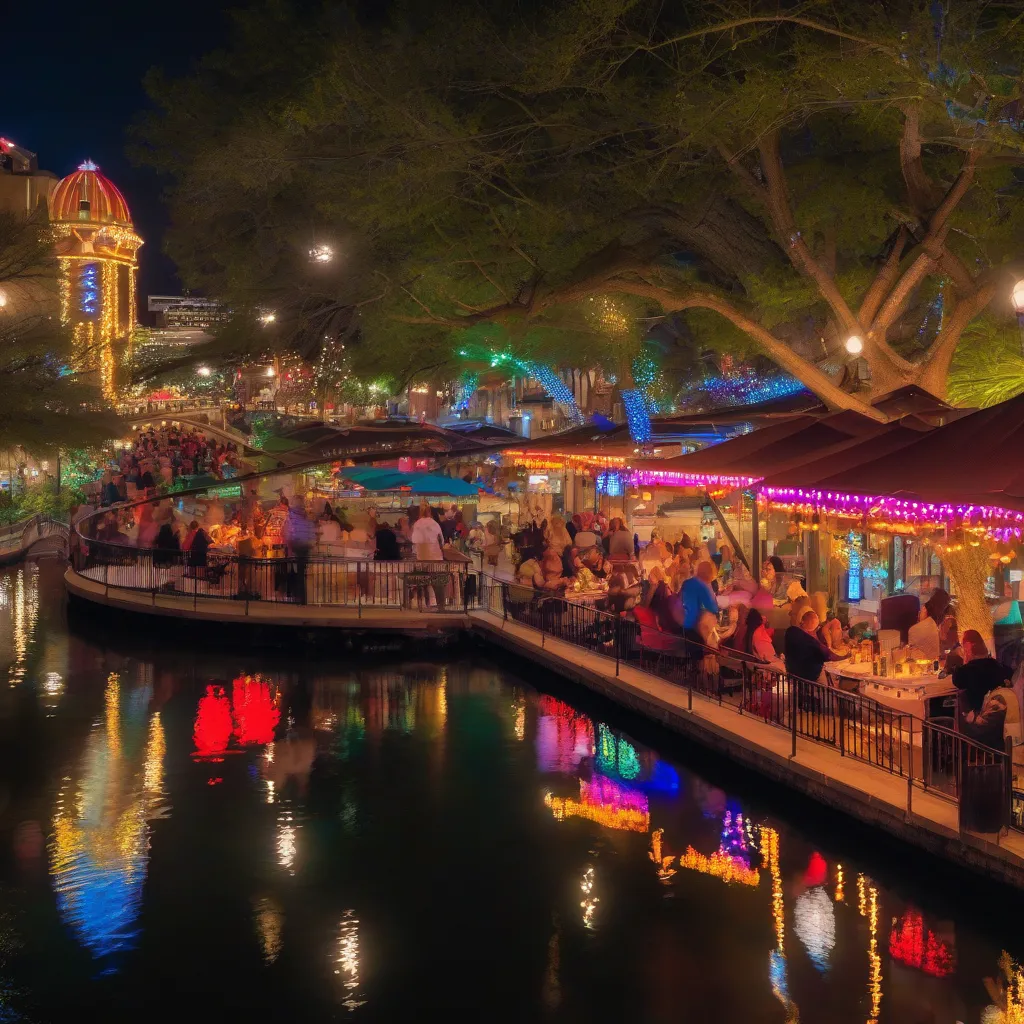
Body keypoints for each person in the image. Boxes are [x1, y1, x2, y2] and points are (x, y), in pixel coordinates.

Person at [953, 630, 1010, 714]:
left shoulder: (964, 671)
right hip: (998, 715)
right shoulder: (997, 666)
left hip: (977, 718)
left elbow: (957, 681)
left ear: (968, 646)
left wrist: (966, 659)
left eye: (962, 645)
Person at [784, 609, 840, 683]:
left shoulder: (791, 631)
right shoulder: (809, 640)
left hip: (792, 673)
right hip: (809, 677)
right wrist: (845, 656)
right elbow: (828, 655)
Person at [680, 560, 719, 641]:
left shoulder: (687, 582)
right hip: (695, 627)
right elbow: (713, 608)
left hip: (683, 623)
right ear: (709, 573)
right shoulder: (703, 586)